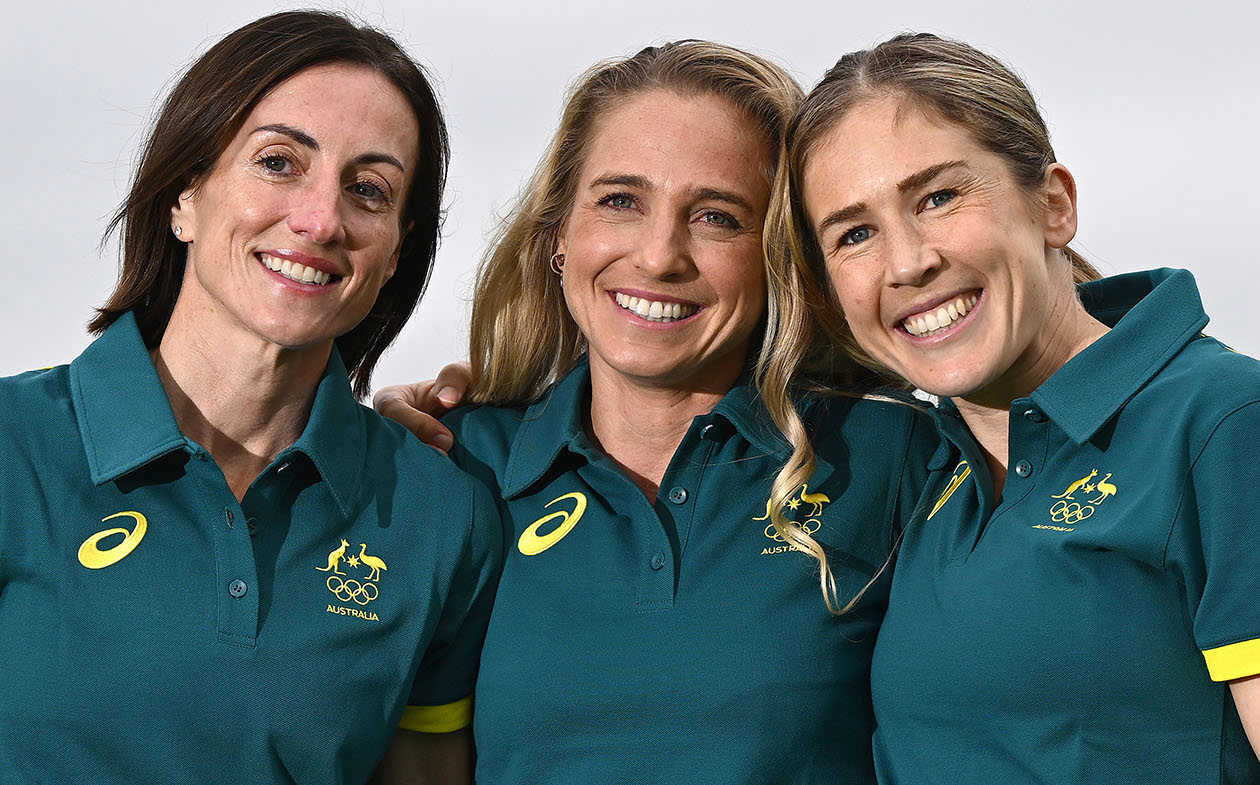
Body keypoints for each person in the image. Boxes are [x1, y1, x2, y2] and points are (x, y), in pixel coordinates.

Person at [780, 32, 1260, 784]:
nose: (908, 261)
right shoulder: (922, 468)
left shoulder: (1233, 422)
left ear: (1053, 204)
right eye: (856, 233)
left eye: (938, 198)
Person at [377, 40, 944, 783]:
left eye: (716, 216)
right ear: (558, 235)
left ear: (779, 256)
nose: (659, 256)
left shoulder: (893, 452)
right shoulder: (459, 462)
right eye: (620, 201)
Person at [0, 11, 499, 784]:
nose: (320, 220)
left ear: (398, 251)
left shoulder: (444, 514)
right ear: (183, 194)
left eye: (368, 190)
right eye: (277, 162)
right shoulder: (14, 444)